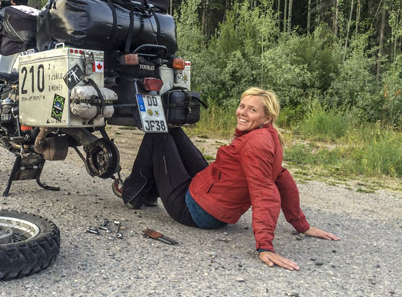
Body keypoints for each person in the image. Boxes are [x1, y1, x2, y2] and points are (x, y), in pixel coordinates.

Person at [115, 87, 340, 270]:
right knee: (171, 130)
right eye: (242, 106)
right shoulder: (268, 136)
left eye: (252, 110)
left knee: (157, 134)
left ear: (266, 117)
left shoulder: (256, 144)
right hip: (207, 189)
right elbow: (282, 176)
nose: (242, 112)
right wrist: (300, 225)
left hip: (196, 212)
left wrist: (265, 246)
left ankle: (134, 193)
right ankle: (147, 192)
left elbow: (265, 191)